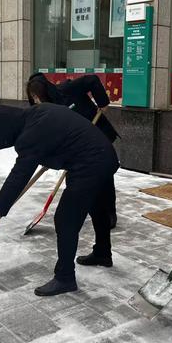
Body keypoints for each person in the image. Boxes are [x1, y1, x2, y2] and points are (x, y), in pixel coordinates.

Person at [0, 102, 119, 296]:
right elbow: (60, 133)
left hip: (90, 163)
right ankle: (103, 253)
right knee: (97, 206)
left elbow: (18, 176)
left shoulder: (31, 136)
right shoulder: (39, 112)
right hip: (105, 155)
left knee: (65, 219)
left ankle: (65, 277)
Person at [26, 73, 119, 231]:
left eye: (36, 95)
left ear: (45, 91)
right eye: (32, 96)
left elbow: (92, 80)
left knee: (102, 178)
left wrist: (103, 102)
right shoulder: (44, 112)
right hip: (77, 149)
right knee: (76, 180)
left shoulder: (67, 90)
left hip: (99, 138)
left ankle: (108, 215)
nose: (35, 100)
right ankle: (82, 213)